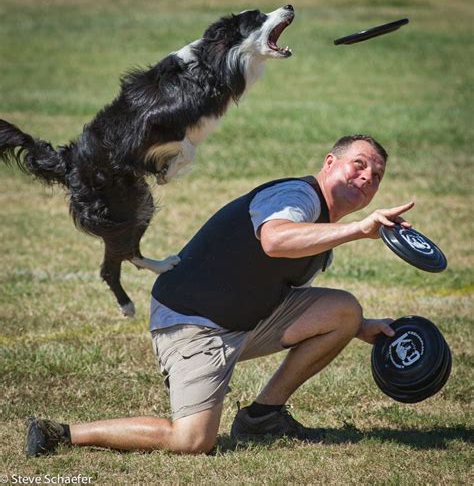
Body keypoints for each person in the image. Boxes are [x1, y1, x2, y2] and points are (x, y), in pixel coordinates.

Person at [26, 134, 414, 456]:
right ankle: (60, 432)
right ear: (330, 162)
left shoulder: (324, 226)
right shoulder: (297, 196)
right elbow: (275, 240)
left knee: (344, 311)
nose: (367, 177)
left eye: (376, 176)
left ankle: (263, 416)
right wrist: (359, 230)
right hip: (193, 324)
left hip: (245, 319)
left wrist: (359, 328)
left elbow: (278, 283)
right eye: (359, 165)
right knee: (193, 441)